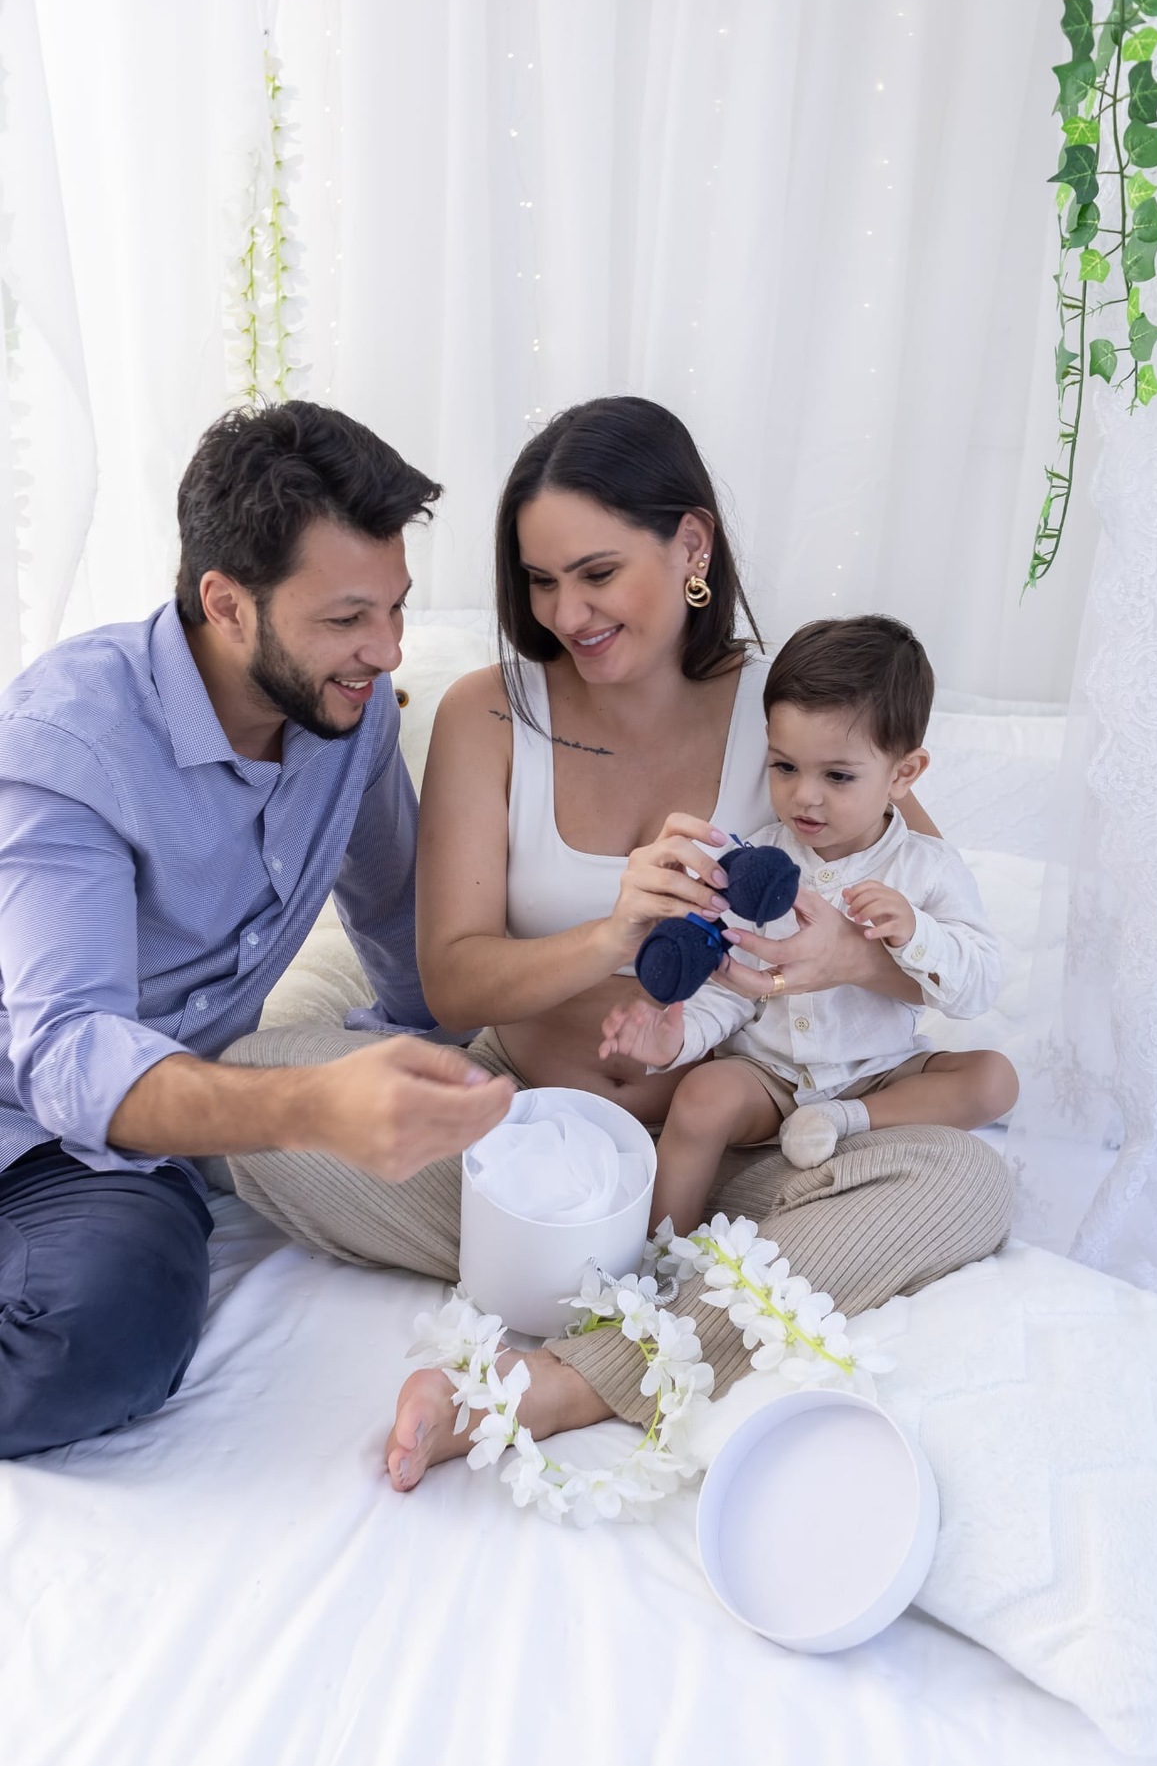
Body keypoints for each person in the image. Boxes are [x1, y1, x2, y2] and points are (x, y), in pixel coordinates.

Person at [213, 396, 1013, 1490]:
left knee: (961, 1184)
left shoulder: (790, 718)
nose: (567, 613)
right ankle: (630, 1290)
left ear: (691, 544)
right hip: (516, 1137)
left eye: (595, 573)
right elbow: (452, 975)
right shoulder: (489, 713)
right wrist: (613, 934)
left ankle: (567, 1375)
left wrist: (846, 960)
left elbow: (925, 915)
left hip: (731, 1152)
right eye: (540, 582)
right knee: (254, 1092)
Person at [0, 401, 515, 1460]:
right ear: (226, 603)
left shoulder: (352, 713)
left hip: (102, 1156)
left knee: (107, 1339)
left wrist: (470, 1067)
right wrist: (309, 1107)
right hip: (41, 1082)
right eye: (345, 619)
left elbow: (391, 909)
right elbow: (63, 1053)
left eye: (397, 609)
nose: (385, 650)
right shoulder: (69, 742)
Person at [599, 615, 1019, 1236]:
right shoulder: (757, 863)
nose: (805, 798)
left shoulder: (927, 868)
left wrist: (915, 934)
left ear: (903, 774)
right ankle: (657, 1265)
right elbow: (730, 985)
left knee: (994, 1077)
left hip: (878, 1072)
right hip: (768, 1076)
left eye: (838, 776)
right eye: (785, 767)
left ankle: (848, 1122)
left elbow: (979, 984)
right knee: (700, 1098)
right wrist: (677, 1044)